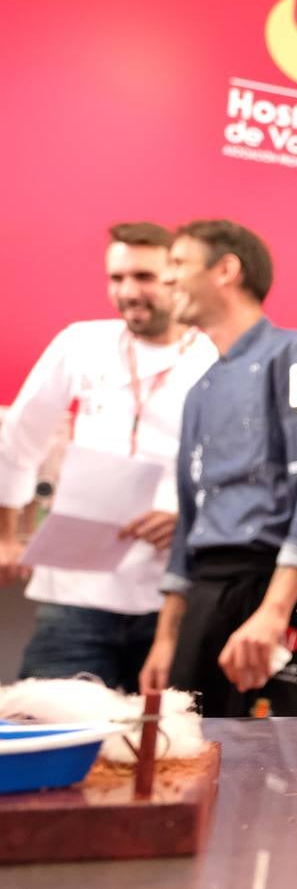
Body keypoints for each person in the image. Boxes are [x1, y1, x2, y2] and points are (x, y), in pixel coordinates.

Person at [138, 219, 297, 717]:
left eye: (177, 264)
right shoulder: (200, 391)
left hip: (280, 592)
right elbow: (189, 520)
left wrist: (274, 613)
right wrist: (167, 638)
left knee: (283, 765)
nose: (167, 280)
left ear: (226, 270)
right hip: (207, 596)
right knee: (191, 750)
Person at [0, 222, 216, 690]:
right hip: (76, 593)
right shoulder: (81, 342)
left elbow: (243, 471)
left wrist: (188, 517)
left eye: (143, 277)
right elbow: (20, 437)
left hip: (173, 596)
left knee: (166, 747)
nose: (128, 292)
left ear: (176, 276)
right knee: (49, 731)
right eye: (116, 278)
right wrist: (8, 535)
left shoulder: (215, 357)